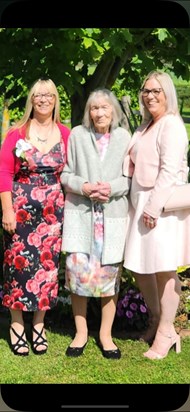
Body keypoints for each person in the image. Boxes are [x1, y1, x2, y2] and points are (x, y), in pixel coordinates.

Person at [0, 78, 70, 356]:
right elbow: (4, 173)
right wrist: (6, 209)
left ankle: (39, 324)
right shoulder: (17, 133)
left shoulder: (66, 133)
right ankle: (16, 324)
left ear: (55, 100)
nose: (43, 99)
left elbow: (71, 172)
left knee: (47, 269)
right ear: (31, 100)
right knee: (17, 268)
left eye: (48, 95)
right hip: (20, 210)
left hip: (54, 214)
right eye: (38, 95)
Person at [123, 70, 190, 359]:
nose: (150, 95)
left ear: (167, 94)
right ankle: (157, 318)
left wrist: (153, 207)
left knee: (164, 270)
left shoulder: (172, 125)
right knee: (140, 266)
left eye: (156, 90)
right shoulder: (146, 125)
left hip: (159, 208)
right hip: (141, 205)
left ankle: (165, 331)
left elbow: (170, 170)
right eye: (146, 90)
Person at [61, 88, 131, 359]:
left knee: (108, 278)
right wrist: (85, 186)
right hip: (82, 215)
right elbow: (66, 175)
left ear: (113, 110)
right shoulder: (78, 135)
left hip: (111, 217)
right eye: (94, 108)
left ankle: (105, 335)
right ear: (88, 112)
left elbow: (130, 180)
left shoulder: (124, 137)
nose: (99, 112)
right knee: (78, 275)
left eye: (104, 107)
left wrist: (110, 188)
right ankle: (80, 333)